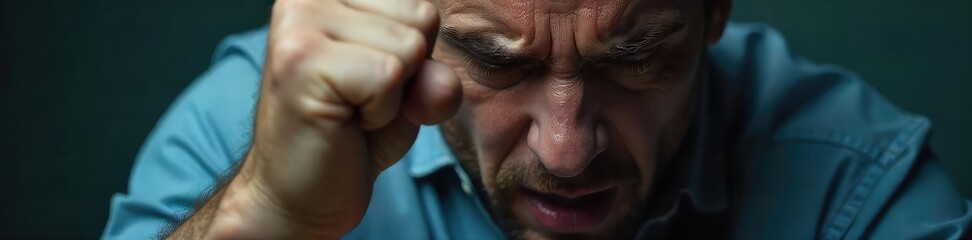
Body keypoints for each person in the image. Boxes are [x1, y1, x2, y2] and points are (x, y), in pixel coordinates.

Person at [102, 0, 972, 238]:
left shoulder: (856, 192)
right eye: (491, 60)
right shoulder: (250, 127)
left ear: (714, 13)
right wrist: (272, 219)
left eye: (635, 57)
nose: (566, 150)